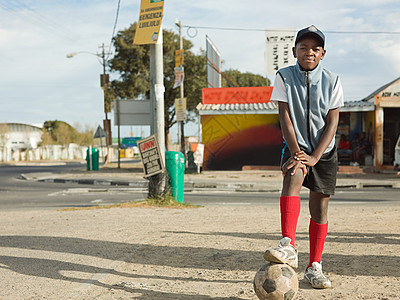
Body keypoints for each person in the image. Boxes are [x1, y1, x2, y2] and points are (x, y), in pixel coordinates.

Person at [264, 25, 344, 289]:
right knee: (292, 176)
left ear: (323, 53)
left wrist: (315, 156)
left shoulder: (333, 80)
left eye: (315, 48)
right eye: (303, 47)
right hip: (296, 145)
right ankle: (287, 245)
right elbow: (284, 116)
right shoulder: (284, 76)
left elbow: (332, 122)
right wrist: (298, 153)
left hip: (325, 150)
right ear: (294, 51)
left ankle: (314, 267)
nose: (309, 52)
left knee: (319, 209)